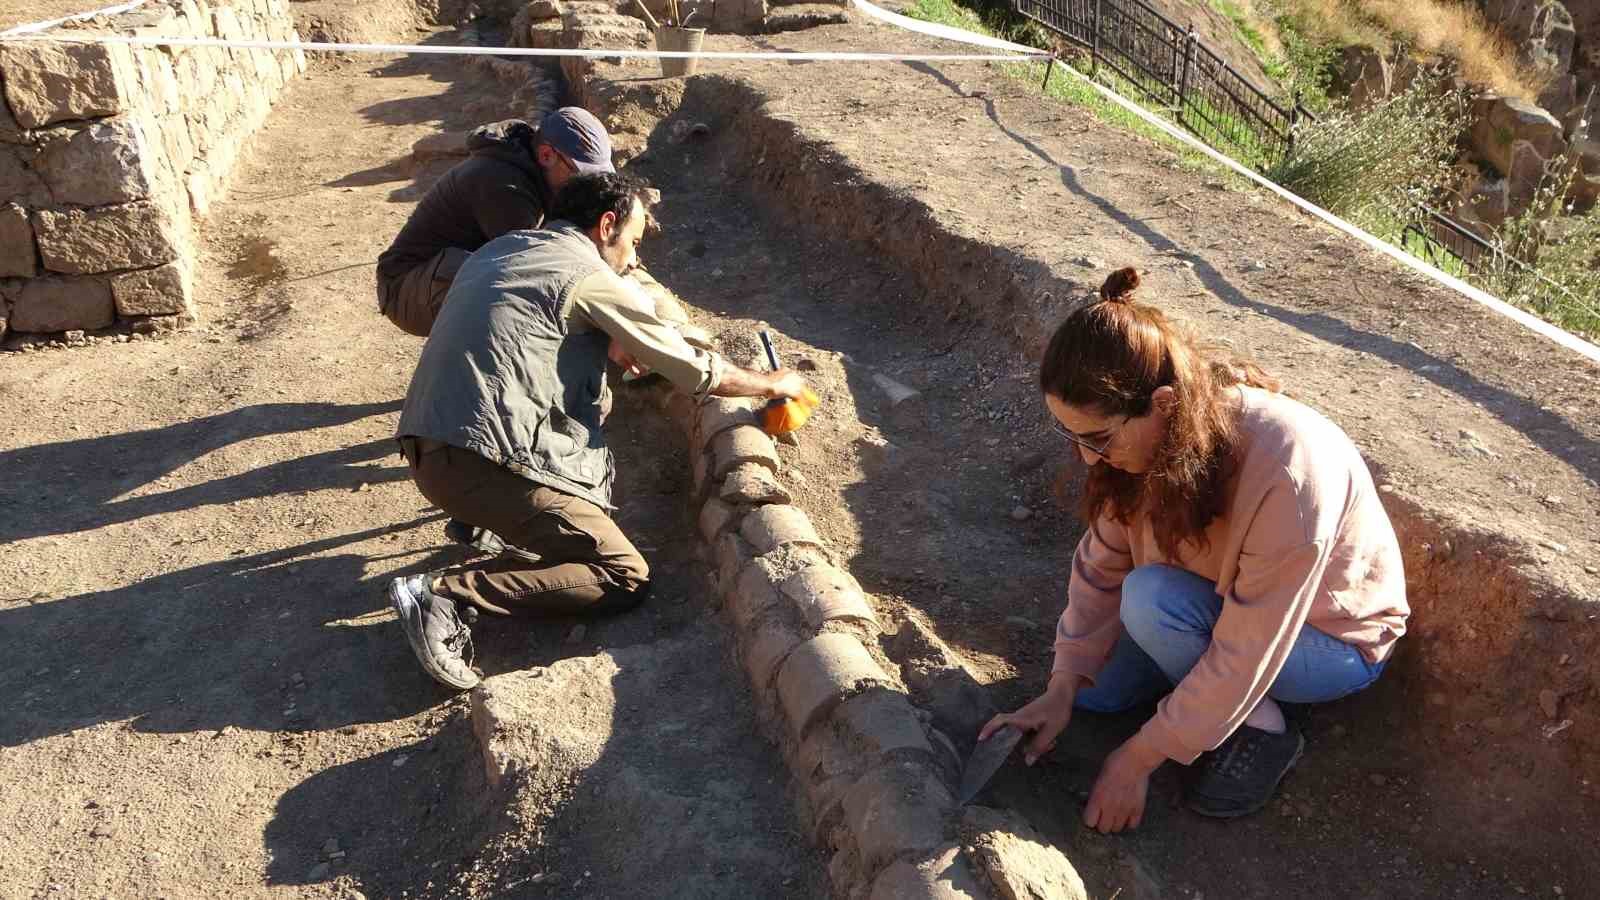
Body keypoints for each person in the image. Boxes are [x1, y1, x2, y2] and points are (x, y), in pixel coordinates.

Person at [981, 267, 1408, 832]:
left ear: (1160, 403)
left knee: (1151, 599)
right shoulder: (1144, 448)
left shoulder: (1287, 470)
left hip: (1325, 641)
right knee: (1097, 693)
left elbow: (1252, 647)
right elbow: (1099, 571)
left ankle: (1265, 728)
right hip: (1212, 606)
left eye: (1098, 439)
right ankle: (1189, 697)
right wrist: (1061, 688)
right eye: (1073, 438)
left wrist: (1138, 758)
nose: (1087, 459)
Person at [387, 172, 813, 691]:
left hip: (430, 444)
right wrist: (773, 383)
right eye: (632, 242)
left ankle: (490, 519)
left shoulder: (505, 248)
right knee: (623, 574)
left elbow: (528, 330)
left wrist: (603, 339)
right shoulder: (588, 273)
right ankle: (445, 597)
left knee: (595, 404)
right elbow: (696, 370)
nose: (633, 260)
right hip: (476, 460)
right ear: (606, 224)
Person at [375, 106, 615, 338]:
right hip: (406, 289)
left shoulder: (535, 173)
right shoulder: (502, 183)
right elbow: (535, 266)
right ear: (546, 155)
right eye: (582, 175)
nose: (589, 186)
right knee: (519, 288)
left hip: (439, 275)